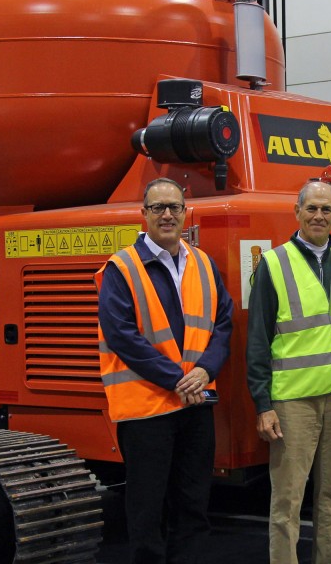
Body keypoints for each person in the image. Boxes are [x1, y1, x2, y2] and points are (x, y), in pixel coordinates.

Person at [96, 177, 234, 564]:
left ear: (185, 210)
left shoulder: (203, 263)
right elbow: (121, 335)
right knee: (146, 511)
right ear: (144, 215)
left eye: (174, 206)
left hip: (196, 405)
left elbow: (223, 323)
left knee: (193, 506)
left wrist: (205, 370)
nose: (168, 214)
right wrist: (178, 379)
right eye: (158, 208)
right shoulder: (121, 268)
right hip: (147, 410)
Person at [246, 180, 331, 564]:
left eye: (326, 209)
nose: (318, 215)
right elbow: (257, 340)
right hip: (293, 402)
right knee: (287, 500)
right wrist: (262, 403)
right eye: (311, 208)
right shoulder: (274, 263)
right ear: (297, 212)